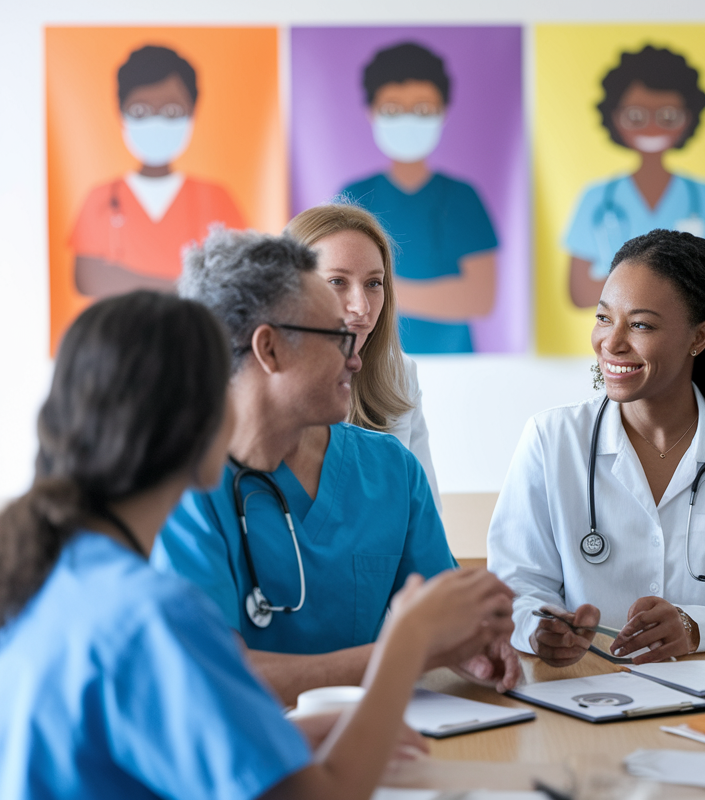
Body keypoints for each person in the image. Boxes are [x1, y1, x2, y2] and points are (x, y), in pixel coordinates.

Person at [0, 290, 514, 799]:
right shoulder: (151, 614)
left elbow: (143, 746)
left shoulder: (35, 575)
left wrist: (289, 739)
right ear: (196, 423)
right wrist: (408, 641)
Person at [152, 229, 518, 706]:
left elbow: (449, 621)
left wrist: (471, 649)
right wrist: (406, 653)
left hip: (371, 746)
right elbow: (215, 675)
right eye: (336, 336)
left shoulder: (391, 469)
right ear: (270, 350)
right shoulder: (183, 485)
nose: (356, 357)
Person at [488, 229, 705, 666]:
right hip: (581, 691)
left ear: (699, 337)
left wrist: (698, 629)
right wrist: (539, 627)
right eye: (603, 318)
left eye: (640, 325)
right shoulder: (551, 440)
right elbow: (517, 587)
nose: (612, 342)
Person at [340, 41, 498, 354]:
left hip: (456, 365)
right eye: (393, 109)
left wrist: (379, 289)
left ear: (444, 111)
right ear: (371, 112)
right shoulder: (354, 197)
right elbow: (333, 288)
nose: (408, 121)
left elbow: (480, 296)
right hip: (370, 359)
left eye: (423, 109)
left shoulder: (462, 198)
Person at [286, 202, 440, 506]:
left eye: (373, 284)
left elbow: (424, 513)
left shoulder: (398, 375)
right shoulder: (242, 384)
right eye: (337, 282)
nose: (362, 306)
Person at [564, 46, 705, 308]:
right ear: (614, 117)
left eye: (668, 116)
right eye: (636, 116)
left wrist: (624, 287)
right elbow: (579, 292)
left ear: (688, 118)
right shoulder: (597, 198)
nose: (652, 127)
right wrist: (676, 287)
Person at [70, 44, 245, 297]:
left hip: (195, 333)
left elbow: (235, 276)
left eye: (171, 111)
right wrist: (187, 284)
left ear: (192, 113)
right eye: (140, 111)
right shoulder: (101, 197)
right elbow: (88, 278)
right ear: (121, 114)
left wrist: (125, 278)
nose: (156, 122)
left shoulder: (216, 198)